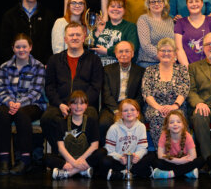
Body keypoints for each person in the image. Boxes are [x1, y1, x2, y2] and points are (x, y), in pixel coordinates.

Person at [41, 22, 104, 153]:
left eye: (78, 34)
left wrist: (80, 105)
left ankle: (84, 156)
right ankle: (62, 153)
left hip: (85, 106)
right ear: (65, 39)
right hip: (61, 105)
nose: (74, 37)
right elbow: (50, 87)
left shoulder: (94, 60)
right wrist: (60, 104)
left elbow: (95, 87)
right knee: (47, 118)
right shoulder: (54, 60)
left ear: (84, 37)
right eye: (71, 35)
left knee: (91, 116)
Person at [0, 33, 46, 175]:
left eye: (24, 46)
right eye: (18, 47)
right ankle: (4, 160)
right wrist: (10, 103)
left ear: (30, 47)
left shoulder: (38, 66)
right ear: (13, 48)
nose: (21, 50)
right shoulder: (4, 67)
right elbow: (2, 90)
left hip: (32, 104)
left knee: (22, 114)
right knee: (0, 113)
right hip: (10, 102)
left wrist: (19, 104)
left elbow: (35, 92)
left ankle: (25, 160)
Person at [142, 38, 190, 149]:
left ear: (174, 53)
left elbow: (184, 90)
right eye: (163, 50)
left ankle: (179, 152)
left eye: (169, 51)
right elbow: (146, 92)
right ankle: (162, 153)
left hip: (177, 106)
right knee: (158, 116)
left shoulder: (182, 70)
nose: (166, 53)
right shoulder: (150, 70)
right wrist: (159, 107)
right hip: (154, 107)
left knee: (176, 117)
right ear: (158, 53)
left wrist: (174, 106)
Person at [47, 91, 105, 180]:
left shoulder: (91, 122)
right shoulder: (62, 122)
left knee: (102, 151)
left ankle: (69, 173)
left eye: (82, 103)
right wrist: (74, 162)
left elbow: (94, 146)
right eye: (74, 103)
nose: (78, 107)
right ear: (69, 105)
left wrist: (79, 161)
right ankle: (83, 171)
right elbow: (61, 148)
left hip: (85, 159)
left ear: (86, 105)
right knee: (47, 158)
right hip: (68, 159)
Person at [0, 0, 55, 64]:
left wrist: (45, 63)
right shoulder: (10, 15)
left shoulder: (48, 16)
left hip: (41, 68)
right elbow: (4, 45)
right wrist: (15, 63)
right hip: (16, 67)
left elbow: (51, 44)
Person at [100, 41, 145, 145]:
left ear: (132, 54)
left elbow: (141, 95)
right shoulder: (107, 70)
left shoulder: (141, 71)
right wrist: (117, 111)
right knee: (103, 123)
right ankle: (106, 151)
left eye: (127, 51)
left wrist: (130, 110)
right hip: (112, 107)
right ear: (116, 54)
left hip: (132, 107)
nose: (124, 54)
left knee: (140, 121)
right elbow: (106, 94)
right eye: (120, 51)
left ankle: (135, 152)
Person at [102, 99, 155, 180]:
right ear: (121, 114)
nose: (129, 112)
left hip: (134, 161)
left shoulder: (141, 127)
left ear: (137, 113)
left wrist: (137, 156)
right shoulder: (114, 128)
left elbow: (142, 148)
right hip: (120, 161)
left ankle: (122, 174)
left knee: (151, 156)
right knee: (105, 161)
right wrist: (120, 158)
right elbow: (109, 150)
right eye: (125, 110)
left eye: (132, 110)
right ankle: (136, 172)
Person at [151, 110, 205, 179]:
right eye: (171, 122)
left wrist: (182, 161)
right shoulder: (164, 135)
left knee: (201, 160)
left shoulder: (187, 136)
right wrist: (178, 161)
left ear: (183, 125)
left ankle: (170, 174)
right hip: (171, 162)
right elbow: (160, 155)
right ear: (167, 126)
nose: (175, 124)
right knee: (156, 162)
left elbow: (193, 156)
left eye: (178, 122)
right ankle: (186, 172)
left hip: (185, 162)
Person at [174, 0, 211, 66]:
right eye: (191, 2)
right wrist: (188, 69)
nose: (194, 4)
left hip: (210, 67)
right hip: (188, 68)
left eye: (197, 1)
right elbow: (179, 49)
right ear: (187, 5)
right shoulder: (180, 22)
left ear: (202, 3)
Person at [92, 0, 139, 66]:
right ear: (107, 9)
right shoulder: (101, 25)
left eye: (119, 7)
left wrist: (107, 51)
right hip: (98, 67)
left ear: (124, 11)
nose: (115, 9)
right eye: (112, 6)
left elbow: (132, 47)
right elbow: (90, 47)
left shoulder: (130, 27)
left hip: (119, 68)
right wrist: (98, 32)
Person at [136, 0, 174, 68]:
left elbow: (173, 42)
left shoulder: (169, 20)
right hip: (148, 63)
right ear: (148, 5)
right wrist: (164, 56)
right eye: (153, 2)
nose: (156, 4)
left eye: (159, 1)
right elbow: (146, 45)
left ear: (164, 4)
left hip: (168, 62)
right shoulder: (144, 19)